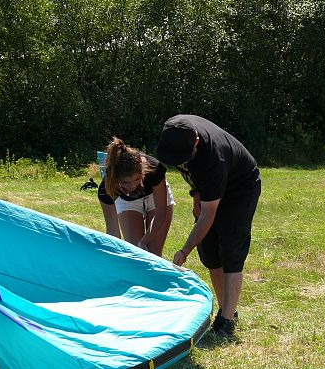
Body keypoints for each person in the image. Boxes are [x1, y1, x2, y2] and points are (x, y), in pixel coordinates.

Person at [156, 114, 261, 337]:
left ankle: (227, 321)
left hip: (239, 188)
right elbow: (195, 175)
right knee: (210, 252)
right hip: (211, 189)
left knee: (230, 250)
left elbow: (207, 215)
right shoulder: (176, 130)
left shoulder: (215, 157)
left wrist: (184, 250)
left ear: (196, 142)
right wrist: (196, 196)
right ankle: (226, 309)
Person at [98, 137, 175, 257]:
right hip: (127, 201)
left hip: (154, 197)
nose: (132, 186)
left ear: (143, 172)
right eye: (125, 183)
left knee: (154, 254)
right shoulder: (106, 189)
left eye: (137, 179)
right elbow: (113, 231)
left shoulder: (154, 169)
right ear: (116, 179)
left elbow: (161, 212)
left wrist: (144, 241)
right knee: (136, 254)